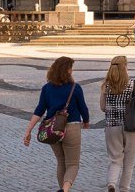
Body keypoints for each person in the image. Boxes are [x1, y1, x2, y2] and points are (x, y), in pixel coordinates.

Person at [23, 55, 89, 192]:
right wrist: (86, 121)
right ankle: (64, 190)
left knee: (61, 161)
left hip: (51, 129)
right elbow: (83, 108)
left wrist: (29, 130)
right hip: (71, 127)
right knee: (73, 164)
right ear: (68, 70)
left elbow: (39, 110)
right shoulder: (75, 88)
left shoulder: (47, 88)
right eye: (71, 68)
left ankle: (61, 189)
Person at [101, 54, 135, 192]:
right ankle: (124, 189)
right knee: (129, 162)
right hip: (131, 126)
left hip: (111, 126)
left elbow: (103, 107)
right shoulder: (133, 84)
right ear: (125, 67)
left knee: (115, 159)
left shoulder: (106, 85)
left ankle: (111, 183)